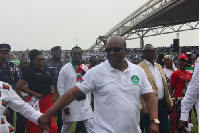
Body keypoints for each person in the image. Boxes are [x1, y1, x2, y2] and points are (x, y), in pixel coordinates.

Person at [38, 36, 159, 133]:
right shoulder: (96, 72)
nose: (111, 53)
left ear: (125, 51)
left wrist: (154, 121)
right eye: (108, 50)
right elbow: (73, 92)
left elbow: (149, 96)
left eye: (116, 49)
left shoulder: (137, 71)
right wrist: (48, 113)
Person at [16, 49, 57, 133]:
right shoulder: (29, 71)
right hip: (35, 101)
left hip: (47, 100)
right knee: (35, 125)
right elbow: (19, 85)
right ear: (33, 61)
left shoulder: (45, 69)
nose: (42, 61)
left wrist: (52, 90)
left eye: (43, 59)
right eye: (39, 60)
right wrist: (33, 93)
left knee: (52, 127)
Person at [57, 46, 94, 133]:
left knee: (90, 124)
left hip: (83, 102)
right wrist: (64, 105)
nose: (77, 55)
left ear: (82, 55)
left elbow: (88, 87)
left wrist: (88, 102)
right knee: (66, 126)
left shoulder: (85, 68)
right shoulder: (65, 68)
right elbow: (60, 87)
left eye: (79, 54)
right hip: (69, 102)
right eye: (75, 53)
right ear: (71, 55)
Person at [138, 44, 172, 133]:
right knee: (152, 130)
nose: (148, 53)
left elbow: (164, 85)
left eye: (151, 51)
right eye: (146, 51)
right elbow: (136, 88)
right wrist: (140, 106)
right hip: (148, 106)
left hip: (162, 105)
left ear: (155, 53)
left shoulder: (159, 66)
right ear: (143, 54)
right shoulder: (139, 68)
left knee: (165, 130)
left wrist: (170, 101)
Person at [169, 54, 192, 132]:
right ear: (178, 62)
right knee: (178, 120)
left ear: (186, 62)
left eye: (184, 61)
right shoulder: (175, 74)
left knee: (187, 120)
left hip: (187, 99)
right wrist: (172, 99)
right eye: (181, 61)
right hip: (178, 99)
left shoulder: (189, 73)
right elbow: (171, 88)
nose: (182, 63)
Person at [46, 46, 65, 133]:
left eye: (60, 52)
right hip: (50, 93)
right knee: (51, 115)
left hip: (62, 93)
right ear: (51, 53)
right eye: (56, 52)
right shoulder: (47, 64)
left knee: (61, 117)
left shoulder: (65, 64)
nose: (58, 54)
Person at [0, 43, 19, 126]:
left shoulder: (12, 66)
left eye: (6, 53)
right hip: (0, 96)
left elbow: (16, 82)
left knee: (10, 120)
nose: (5, 55)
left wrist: (20, 96)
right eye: (2, 53)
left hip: (10, 95)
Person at [180, 57, 199, 131]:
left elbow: (195, 86)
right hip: (181, 95)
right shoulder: (176, 72)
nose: (183, 63)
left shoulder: (188, 71)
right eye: (181, 61)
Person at [15, 58, 29, 133]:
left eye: (27, 63)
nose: (25, 65)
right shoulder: (16, 73)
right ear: (20, 63)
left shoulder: (30, 73)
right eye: (24, 63)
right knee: (20, 118)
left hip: (29, 97)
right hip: (18, 97)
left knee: (29, 118)